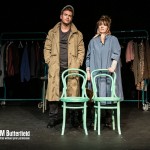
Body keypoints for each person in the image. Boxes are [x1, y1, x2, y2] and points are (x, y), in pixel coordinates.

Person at [44, 5, 85, 128]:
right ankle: (53, 119)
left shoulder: (77, 33)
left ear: (71, 18)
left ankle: (74, 119)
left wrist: (78, 63)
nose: (67, 17)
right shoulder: (52, 32)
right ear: (61, 16)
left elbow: (81, 50)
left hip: (71, 67)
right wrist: (49, 61)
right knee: (53, 93)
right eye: (65, 15)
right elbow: (47, 48)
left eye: (70, 16)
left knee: (73, 93)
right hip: (56, 66)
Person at [85, 15, 124, 127]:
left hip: (108, 74)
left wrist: (113, 66)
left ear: (108, 27)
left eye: (105, 25)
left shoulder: (113, 39)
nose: (102, 26)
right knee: (95, 95)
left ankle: (108, 120)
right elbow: (88, 57)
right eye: (100, 25)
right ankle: (94, 120)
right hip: (96, 73)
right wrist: (88, 71)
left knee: (108, 93)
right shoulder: (93, 41)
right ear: (98, 26)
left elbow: (116, 53)